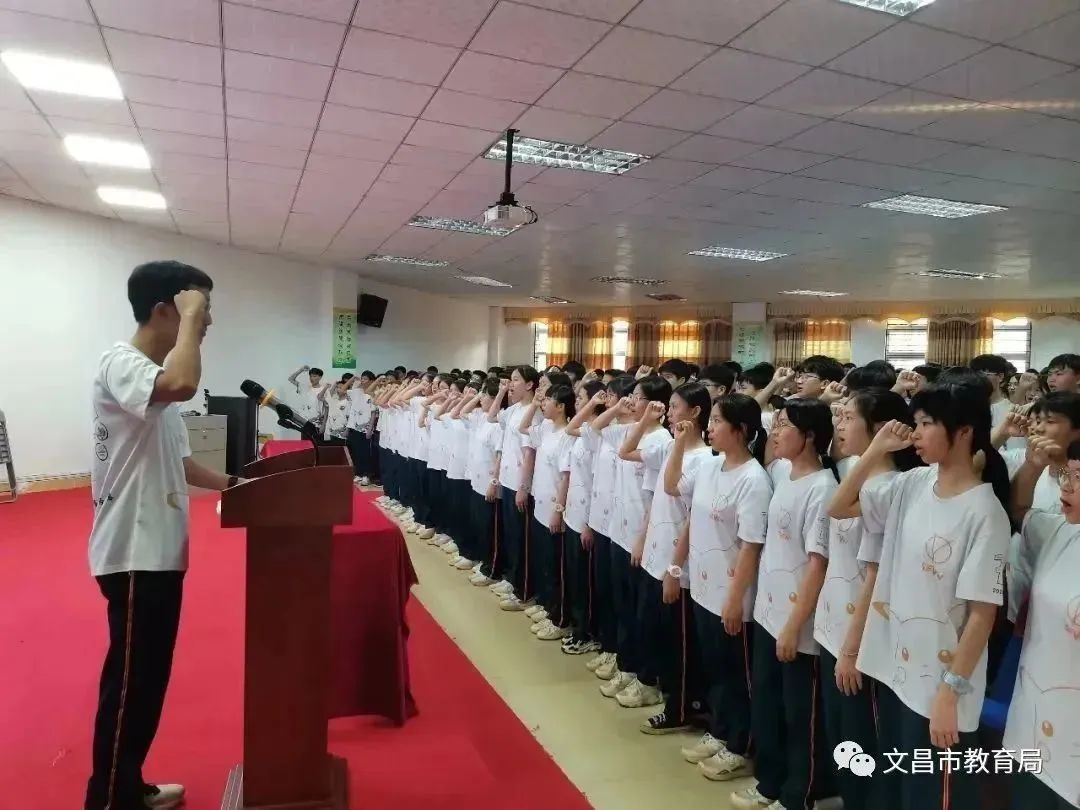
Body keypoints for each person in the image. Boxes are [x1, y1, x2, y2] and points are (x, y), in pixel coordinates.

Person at [86, 260, 242, 810]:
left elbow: (182, 464)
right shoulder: (122, 363)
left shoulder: (154, 382)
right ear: (162, 311)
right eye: (200, 310)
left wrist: (239, 485)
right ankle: (109, 799)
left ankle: (128, 784)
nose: (207, 322)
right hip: (133, 552)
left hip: (158, 553)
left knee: (147, 684)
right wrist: (192, 322)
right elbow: (183, 382)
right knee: (130, 687)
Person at [830, 379, 1011, 810]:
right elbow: (838, 506)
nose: (916, 433)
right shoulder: (912, 482)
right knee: (899, 785)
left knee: (933, 795)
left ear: (963, 432)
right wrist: (875, 449)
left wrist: (950, 693)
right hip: (897, 670)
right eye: (917, 422)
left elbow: (982, 615)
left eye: (927, 423)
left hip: (940, 685)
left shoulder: (984, 513)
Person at [731, 399, 838, 810]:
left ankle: (800, 795)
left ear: (809, 436)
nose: (775, 433)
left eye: (784, 426)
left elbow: (817, 565)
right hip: (767, 612)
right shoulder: (781, 472)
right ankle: (770, 783)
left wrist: (794, 625)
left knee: (800, 717)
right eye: (775, 425)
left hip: (798, 624)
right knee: (769, 705)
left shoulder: (822, 489)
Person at [817, 389, 920, 810]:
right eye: (838, 417)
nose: (839, 425)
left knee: (861, 743)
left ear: (879, 429)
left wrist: (851, 648)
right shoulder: (856, 474)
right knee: (842, 738)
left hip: (859, 637)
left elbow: (875, 576)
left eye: (848, 418)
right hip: (833, 626)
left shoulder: (891, 488)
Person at [673, 393, 770, 781]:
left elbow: (751, 546)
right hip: (703, 587)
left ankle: (740, 746)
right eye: (710, 420)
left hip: (732, 597)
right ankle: (720, 729)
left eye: (717, 421)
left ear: (741, 430)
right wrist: (677, 567)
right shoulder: (710, 466)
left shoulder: (754, 480)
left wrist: (734, 600)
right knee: (715, 668)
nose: (709, 428)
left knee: (736, 674)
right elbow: (678, 497)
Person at [628, 382, 713, 731]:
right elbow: (627, 451)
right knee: (658, 633)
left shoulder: (704, 460)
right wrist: (642, 539)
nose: (670, 412)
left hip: (678, 565)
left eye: (676, 406)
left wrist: (675, 569)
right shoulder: (669, 447)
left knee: (680, 643)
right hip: (656, 553)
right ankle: (663, 691)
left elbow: (691, 518)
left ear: (696, 412)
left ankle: (682, 707)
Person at [1006, 436, 1080, 810]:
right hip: (1034, 708)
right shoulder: (1058, 529)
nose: (1067, 486)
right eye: (1070, 474)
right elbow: (1018, 508)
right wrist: (1033, 466)